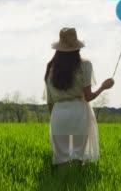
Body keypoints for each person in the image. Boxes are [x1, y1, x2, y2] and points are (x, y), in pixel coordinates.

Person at [44, 27, 114, 167]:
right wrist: (103, 87)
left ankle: (60, 185)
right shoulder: (85, 65)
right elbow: (88, 97)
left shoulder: (51, 66)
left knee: (61, 158)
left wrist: (53, 117)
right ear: (77, 48)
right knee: (78, 155)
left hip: (58, 112)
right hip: (78, 112)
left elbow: (49, 100)